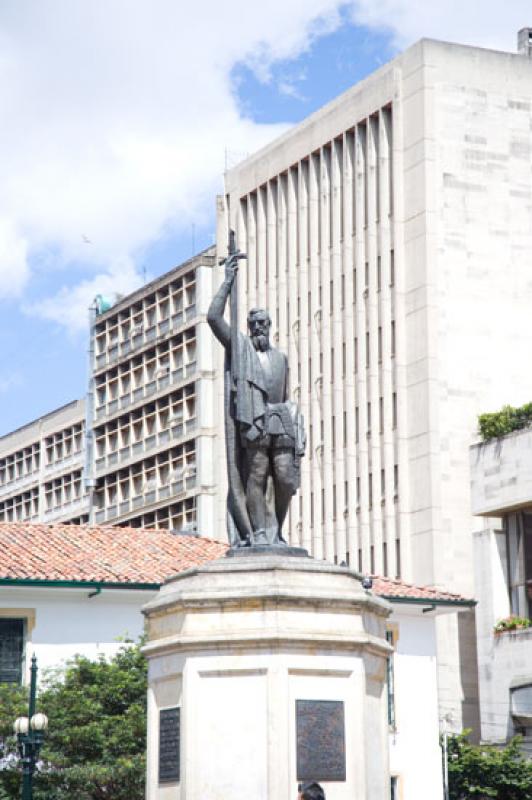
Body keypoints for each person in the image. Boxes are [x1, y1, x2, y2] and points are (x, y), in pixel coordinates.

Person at [207, 250, 305, 547]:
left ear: (270, 326)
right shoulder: (240, 348)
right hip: (255, 418)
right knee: (257, 474)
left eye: (263, 323)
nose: (259, 328)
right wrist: (227, 282)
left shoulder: (281, 358)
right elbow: (213, 317)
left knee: (286, 479)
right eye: (254, 324)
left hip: (281, 417)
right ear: (249, 328)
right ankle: (259, 532)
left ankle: (276, 531)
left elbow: (285, 392)